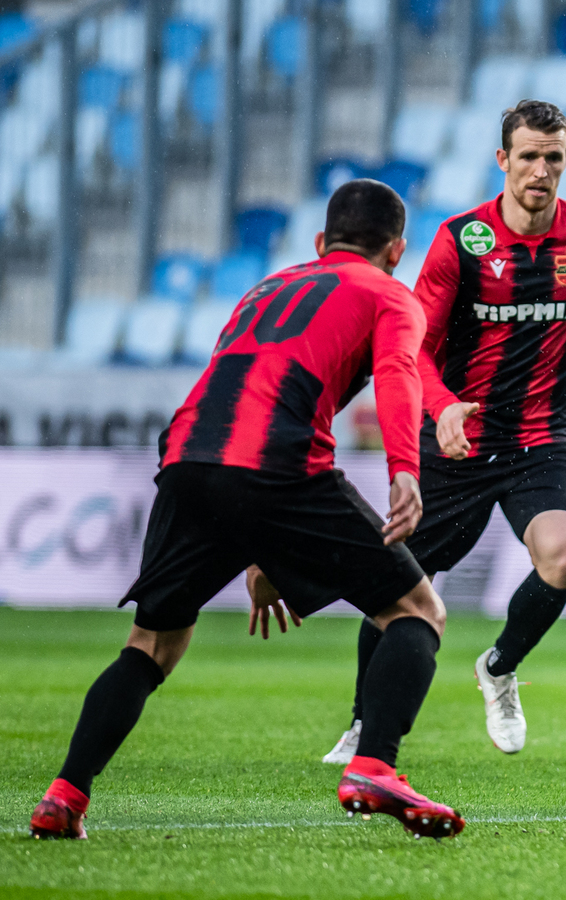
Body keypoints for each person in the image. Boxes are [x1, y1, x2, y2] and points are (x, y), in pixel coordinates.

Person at [29, 180, 465, 840]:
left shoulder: (264, 288)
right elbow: (400, 374)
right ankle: (374, 765)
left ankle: (64, 796)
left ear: (320, 242)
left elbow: (243, 385)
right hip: (278, 461)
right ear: (396, 251)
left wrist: (264, 551)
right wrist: (405, 469)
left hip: (187, 456)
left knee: (152, 644)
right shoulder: (388, 294)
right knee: (416, 610)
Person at [319, 100, 566, 763]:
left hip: (541, 438)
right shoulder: (462, 242)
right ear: (503, 159)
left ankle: (500, 667)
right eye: (529, 156)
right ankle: (365, 722)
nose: (541, 169)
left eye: (554, 157)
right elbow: (414, 348)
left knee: (565, 555)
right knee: (399, 586)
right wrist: (443, 406)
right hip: (457, 440)